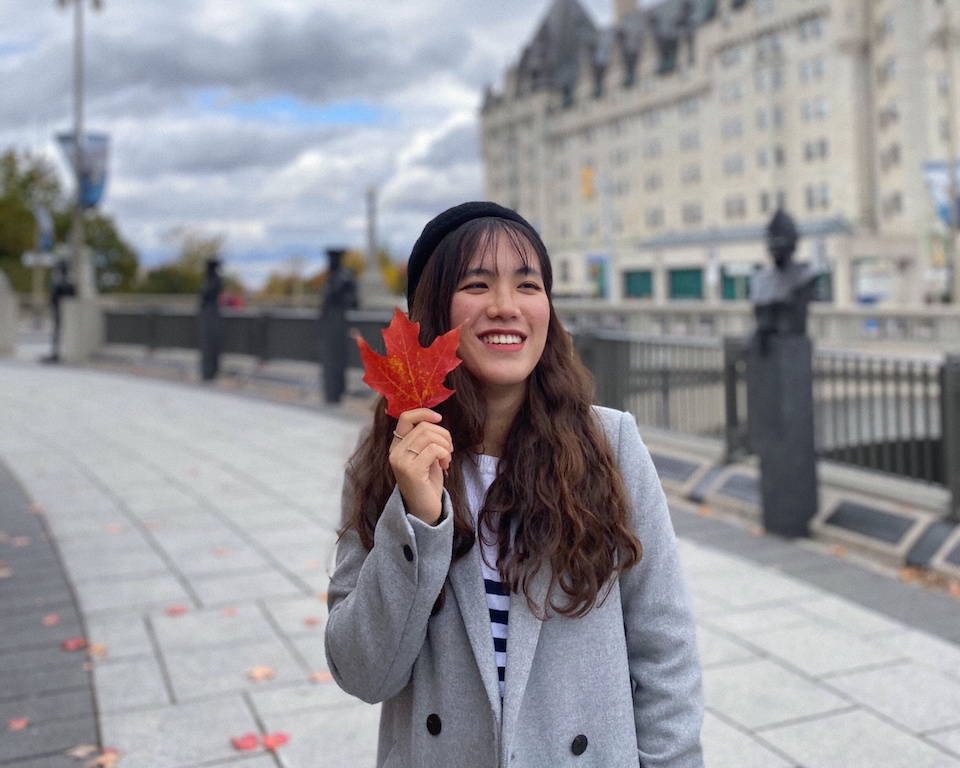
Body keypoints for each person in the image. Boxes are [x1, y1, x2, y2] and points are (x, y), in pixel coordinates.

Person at [325, 202, 704, 768]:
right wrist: (418, 524)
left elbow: (664, 646)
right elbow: (362, 672)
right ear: (434, 313)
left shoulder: (611, 445)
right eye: (477, 285)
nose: (506, 307)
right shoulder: (389, 456)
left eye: (528, 285)